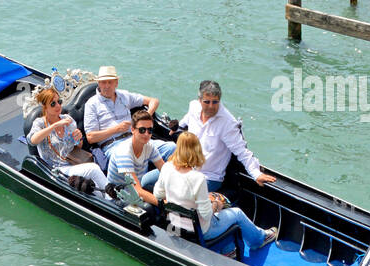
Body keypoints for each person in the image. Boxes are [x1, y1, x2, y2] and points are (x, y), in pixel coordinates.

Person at [132, 131, 276, 254]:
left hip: (175, 225)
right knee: (236, 213)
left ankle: (228, 250)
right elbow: (206, 214)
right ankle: (260, 239)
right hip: (200, 230)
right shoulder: (198, 178)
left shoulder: (167, 167)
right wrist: (216, 204)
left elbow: (158, 195)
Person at [178, 80, 276, 191]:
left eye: (215, 102)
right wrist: (175, 128)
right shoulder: (193, 107)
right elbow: (184, 123)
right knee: (158, 179)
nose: (211, 106)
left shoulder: (228, 123)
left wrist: (256, 174)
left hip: (209, 177)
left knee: (178, 190)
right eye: (207, 102)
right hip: (186, 167)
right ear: (199, 100)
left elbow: (242, 151)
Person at [28, 87, 110, 192]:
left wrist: (78, 138)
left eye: (59, 101)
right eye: (53, 104)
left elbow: (77, 147)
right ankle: (111, 196)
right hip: (56, 169)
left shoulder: (68, 120)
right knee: (93, 169)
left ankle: (107, 200)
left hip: (72, 163)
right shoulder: (39, 123)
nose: (58, 106)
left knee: (95, 186)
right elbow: (32, 140)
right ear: (45, 107)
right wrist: (55, 125)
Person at [83, 65, 161, 171]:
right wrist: (116, 129)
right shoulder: (92, 104)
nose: (106, 86)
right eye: (103, 82)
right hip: (113, 145)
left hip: (136, 138)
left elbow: (153, 101)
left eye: (110, 82)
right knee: (129, 155)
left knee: (171, 148)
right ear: (99, 84)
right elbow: (91, 137)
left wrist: (146, 117)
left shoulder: (124, 95)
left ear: (116, 83)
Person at [106, 109, 174, 192]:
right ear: (133, 130)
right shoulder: (124, 152)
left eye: (150, 130)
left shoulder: (149, 146)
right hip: (121, 198)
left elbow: (165, 171)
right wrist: (163, 204)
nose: (146, 134)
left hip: (138, 189)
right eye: (142, 130)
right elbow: (137, 191)